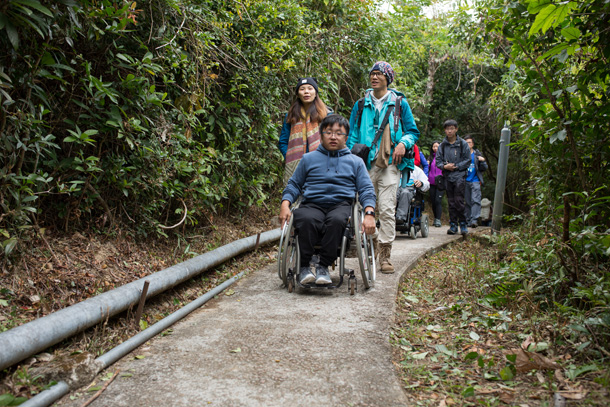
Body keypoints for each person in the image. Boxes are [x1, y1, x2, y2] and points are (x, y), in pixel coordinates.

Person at [279, 114, 376, 286]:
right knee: (306, 218)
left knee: (338, 221)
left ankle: (323, 266)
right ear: (321, 133)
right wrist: (285, 204)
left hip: (341, 205)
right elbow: (294, 184)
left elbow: (366, 189)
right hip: (312, 203)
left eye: (339, 133)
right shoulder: (308, 159)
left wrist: (369, 212)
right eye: (329, 132)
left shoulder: (356, 162)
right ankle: (304, 268)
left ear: (346, 137)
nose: (333, 137)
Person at [347, 61, 419, 273]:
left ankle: (385, 255)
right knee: (361, 208)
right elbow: (351, 134)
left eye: (379, 74)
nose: (374, 77)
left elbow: (412, 131)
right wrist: (352, 156)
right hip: (364, 163)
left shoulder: (399, 104)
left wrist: (403, 144)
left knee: (387, 209)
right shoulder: (360, 104)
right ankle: (375, 240)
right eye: (372, 74)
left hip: (390, 163)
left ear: (388, 78)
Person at [277, 77, 330, 183]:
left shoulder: (326, 115)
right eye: (302, 89)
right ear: (297, 93)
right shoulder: (291, 115)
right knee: (296, 196)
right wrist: (290, 156)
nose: (306, 92)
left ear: (315, 92)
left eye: (310, 88)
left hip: (322, 164)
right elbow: (283, 141)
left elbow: (332, 141)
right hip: (296, 166)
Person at [435, 119, 471, 235]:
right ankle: (453, 225)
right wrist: (445, 167)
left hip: (460, 176)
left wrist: (456, 166)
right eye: (447, 129)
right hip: (448, 177)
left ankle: (463, 224)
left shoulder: (462, 144)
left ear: (456, 129)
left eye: (452, 129)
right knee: (451, 202)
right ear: (445, 130)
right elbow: (438, 162)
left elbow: (468, 160)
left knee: (459, 201)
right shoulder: (442, 146)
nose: (449, 131)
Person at [463, 135, 488, 228]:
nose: (467, 144)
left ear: (472, 144)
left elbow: (484, 168)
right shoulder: (462, 155)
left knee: (476, 200)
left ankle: (474, 220)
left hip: (475, 180)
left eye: (469, 142)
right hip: (465, 180)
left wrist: (482, 161)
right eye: (465, 142)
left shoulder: (477, 154)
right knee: (468, 201)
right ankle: (468, 220)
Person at [427, 141, 445, 227]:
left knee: (438, 201)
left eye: (437, 146)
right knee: (433, 201)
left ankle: (438, 219)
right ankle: (435, 218)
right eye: (434, 146)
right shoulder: (430, 158)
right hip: (431, 182)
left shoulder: (443, 157)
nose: (435, 148)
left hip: (441, 182)